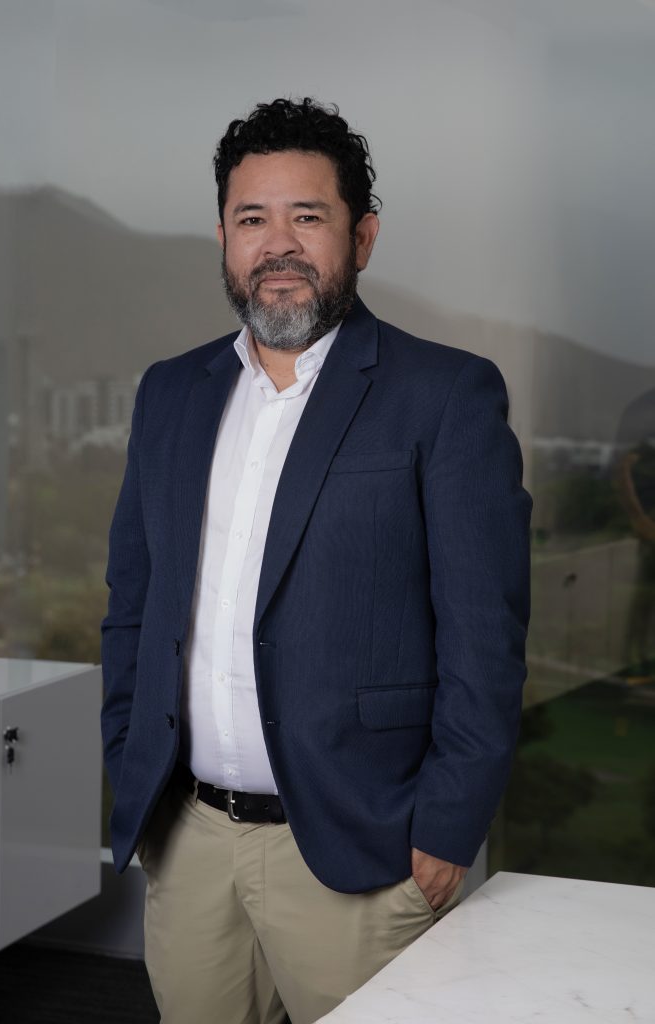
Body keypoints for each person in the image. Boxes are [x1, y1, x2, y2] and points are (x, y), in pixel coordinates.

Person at [101, 97, 532, 1024]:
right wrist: (129, 763)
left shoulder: (444, 395)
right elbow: (133, 606)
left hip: (360, 851)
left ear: (361, 236)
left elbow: (483, 639)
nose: (278, 244)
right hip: (189, 840)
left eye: (308, 216)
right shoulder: (170, 393)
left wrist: (447, 827)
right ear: (224, 239)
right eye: (252, 218)